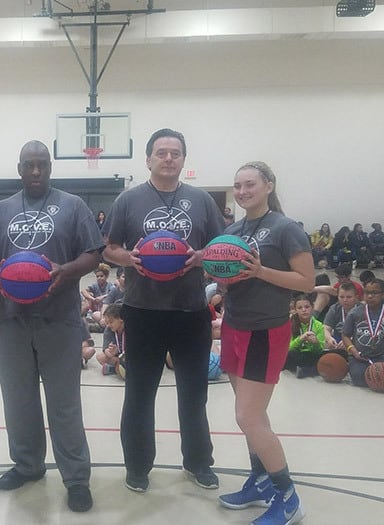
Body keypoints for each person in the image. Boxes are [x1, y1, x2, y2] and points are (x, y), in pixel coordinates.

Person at [0, 140, 102, 513]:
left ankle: (76, 479)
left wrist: (67, 270)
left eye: (41, 164)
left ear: (50, 167)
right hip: (11, 319)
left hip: (59, 318)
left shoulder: (73, 206)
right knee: (19, 400)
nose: (35, 171)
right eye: (29, 164)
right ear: (19, 168)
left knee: (64, 403)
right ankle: (27, 465)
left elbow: (93, 252)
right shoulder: (1, 210)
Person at [102, 128, 224, 493]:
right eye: (161, 152)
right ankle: (138, 466)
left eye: (175, 153)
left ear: (183, 159)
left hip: (191, 310)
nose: (168, 158)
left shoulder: (202, 200)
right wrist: (130, 258)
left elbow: (221, 248)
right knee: (139, 394)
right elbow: (107, 248)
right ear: (148, 159)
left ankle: (198, 462)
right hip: (142, 310)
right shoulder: (128, 200)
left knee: (194, 394)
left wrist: (201, 256)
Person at [217, 161, 313, 525]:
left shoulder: (286, 228)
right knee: (252, 417)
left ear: (269, 186)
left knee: (248, 416)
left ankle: (288, 499)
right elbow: (230, 277)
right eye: (238, 186)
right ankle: (260, 481)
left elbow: (306, 281)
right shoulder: (234, 229)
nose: (242, 191)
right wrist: (219, 274)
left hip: (265, 331)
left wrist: (260, 271)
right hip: (234, 325)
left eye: (250, 184)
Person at [342, 278, 384, 387]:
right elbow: (345, 335)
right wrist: (353, 351)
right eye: (367, 293)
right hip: (361, 356)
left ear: (383, 294)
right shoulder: (355, 313)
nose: (370, 296)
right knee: (359, 379)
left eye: (374, 293)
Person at [285, 294, 325, 378]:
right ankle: (310, 370)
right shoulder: (290, 324)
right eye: (300, 308)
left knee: (325, 356)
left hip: (311, 355)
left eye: (307, 307)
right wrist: (300, 339)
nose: (304, 310)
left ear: (312, 307)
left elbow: (320, 350)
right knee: (287, 355)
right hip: (296, 354)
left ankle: (304, 370)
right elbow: (288, 348)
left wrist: (316, 343)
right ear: (295, 310)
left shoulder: (319, 325)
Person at [323, 281, 359, 360]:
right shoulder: (335, 308)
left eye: (349, 297)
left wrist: (348, 341)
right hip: (338, 343)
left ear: (356, 297)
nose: (345, 300)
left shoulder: (362, 310)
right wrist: (329, 338)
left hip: (356, 342)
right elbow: (326, 328)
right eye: (341, 297)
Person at [96, 303, 125, 376]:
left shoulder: (131, 329)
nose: (108, 325)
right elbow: (106, 349)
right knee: (100, 357)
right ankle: (118, 368)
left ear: (121, 319)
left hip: (130, 357)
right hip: (118, 357)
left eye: (111, 322)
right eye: (107, 322)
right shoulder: (108, 329)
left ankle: (113, 369)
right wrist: (112, 353)